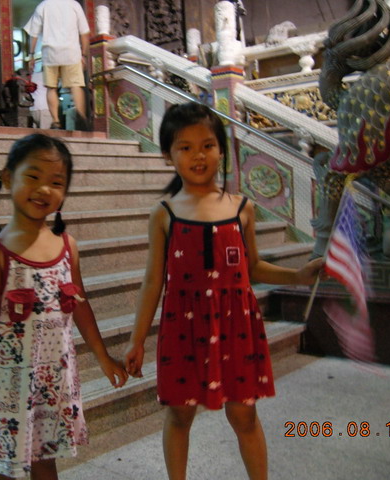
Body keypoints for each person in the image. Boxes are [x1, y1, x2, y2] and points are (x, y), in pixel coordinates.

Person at [124, 102, 323, 480]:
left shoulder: (242, 208)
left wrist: (298, 276)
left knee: (244, 414)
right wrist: (137, 340)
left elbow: (253, 267)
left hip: (235, 326)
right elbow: (153, 281)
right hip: (182, 327)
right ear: (168, 155)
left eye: (207, 145)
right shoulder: (163, 213)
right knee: (180, 413)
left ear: (221, 150)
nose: (198, 155)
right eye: (185, 147)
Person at [0, 133, 128, 479]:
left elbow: (80, 307)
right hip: (11, 381)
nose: (44, 189)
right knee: (5, 465)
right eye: (33, 176)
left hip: (56, 379)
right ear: (8, 178)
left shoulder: (67, 245)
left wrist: (103, 356)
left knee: (46, 460)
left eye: (56, 182)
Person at [23, 0, 90, 130]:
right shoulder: (74, 5)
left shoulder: (43, 6)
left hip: (50, 54)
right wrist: (84, 55)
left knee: (51, 88)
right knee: (76, 85)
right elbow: (84, 33)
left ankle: (55, 121)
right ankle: (81, 117)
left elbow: (33, 34)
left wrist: (31, 55)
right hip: (72, 53)